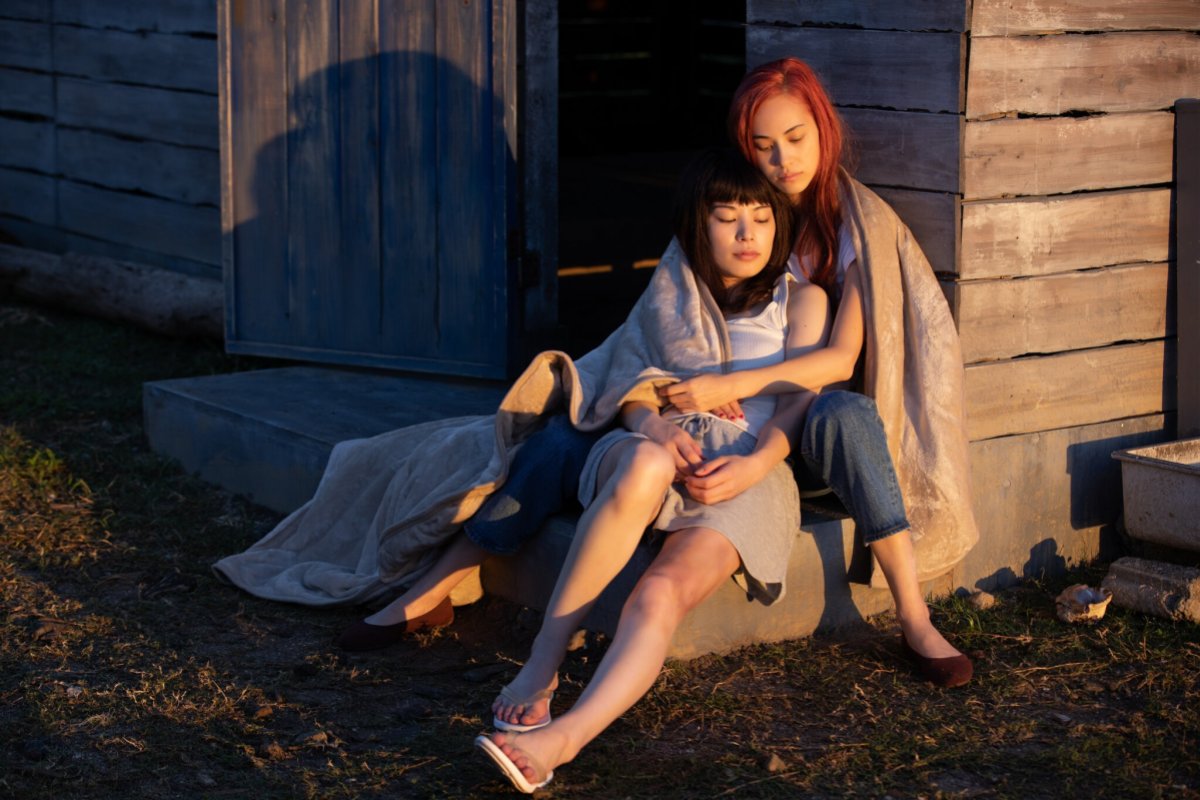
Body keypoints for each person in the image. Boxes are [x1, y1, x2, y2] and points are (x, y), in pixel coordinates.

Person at [475, 148, 830, 793]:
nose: (748, 234)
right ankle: (543, 664)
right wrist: (655, 425)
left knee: (660, 593)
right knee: (643, 462)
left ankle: (563, 739)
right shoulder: (671, 290)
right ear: (698, 224)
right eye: (727, 217)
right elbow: (627, 378)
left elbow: (801, 402)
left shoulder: (800, 302)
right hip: (651, 443)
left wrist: (754, 467)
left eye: (761, 218)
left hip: (746, 463)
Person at [657, 57, 976, 687]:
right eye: (764, 146)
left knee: (844, 409)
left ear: (823, 129)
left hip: (819, 443)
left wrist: (735, 384)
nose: (783, 161)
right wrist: (706, 381)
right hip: (732, 424)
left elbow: (840, 361)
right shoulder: (741, 212)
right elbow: (680, 314)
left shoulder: (854, 229)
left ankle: (912, 614)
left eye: (796, 139)